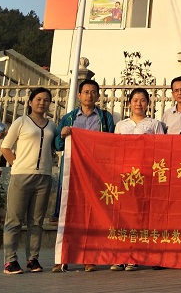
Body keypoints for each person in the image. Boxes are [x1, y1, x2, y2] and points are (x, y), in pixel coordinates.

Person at [53, 78, 115, 272]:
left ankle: (89, 257)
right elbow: (58, 145)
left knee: (92, 215)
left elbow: (111, 144)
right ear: (79, 95)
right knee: (67, 215)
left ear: (98, 95)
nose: (89, 95)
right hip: (72, 173)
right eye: (86, 92)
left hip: (96, 174)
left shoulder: (105, 118)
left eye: (93, 92)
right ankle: (62, 258)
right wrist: (62, 135)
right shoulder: (69, 118)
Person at [0, 87, 58, 275]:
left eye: (46, 100)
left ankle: (33, 259)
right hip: (21, 176)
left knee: (36, 221)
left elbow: (55, 147)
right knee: (14, 219)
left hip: (44, 177)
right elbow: (5, 147)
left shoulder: (52, 125)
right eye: (38, 99)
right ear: (30, 102)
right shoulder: (21, 121)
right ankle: (10, 261)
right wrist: (17, 164)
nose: (42, 103)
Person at [110, 88, 165, 272]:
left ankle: (135, 256)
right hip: (125, 175)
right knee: (123, 215)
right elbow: (115, 149)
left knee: (141, 216)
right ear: (129, 103)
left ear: (147, 103)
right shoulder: (121, 125)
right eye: (135, 100)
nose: (138, 104)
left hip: (146, 175)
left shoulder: (154, 124)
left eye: (142, 100)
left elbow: (162, 149)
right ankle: (120, 256)